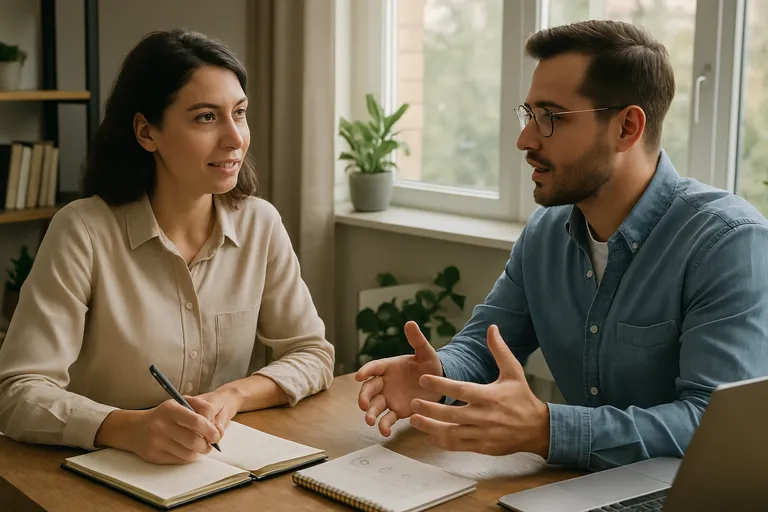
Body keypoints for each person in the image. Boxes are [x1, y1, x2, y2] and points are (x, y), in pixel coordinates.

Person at [356, 20, 768, 472]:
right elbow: (485, 346)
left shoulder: (727, 242)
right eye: (528, 114)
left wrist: (549, 430)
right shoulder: (546, 233)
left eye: (550, 117)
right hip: (575, 489)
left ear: (627, 128)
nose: (525, 139)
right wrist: (436, 377)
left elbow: (712, 424)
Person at [0, 29, 334, 465]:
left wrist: (230, 397)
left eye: (240, 113)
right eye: (205, 118)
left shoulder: (260, 224)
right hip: (101, 473)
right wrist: (125, 427)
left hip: (216, 468)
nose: (235, 138)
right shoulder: (82, 230)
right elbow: (17, 390)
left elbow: (311, 353)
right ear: (146, 132)